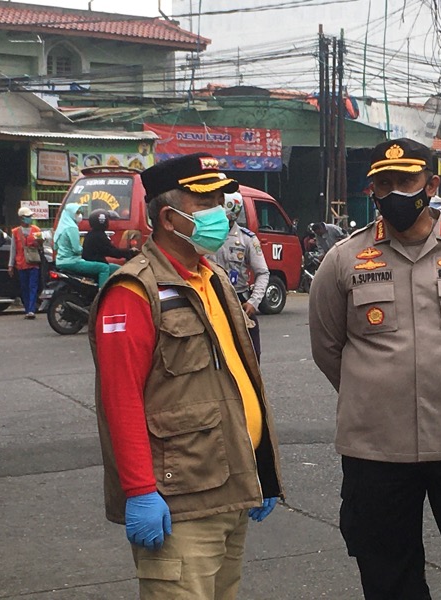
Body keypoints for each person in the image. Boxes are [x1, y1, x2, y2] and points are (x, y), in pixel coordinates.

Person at [309, 138, 441, 600]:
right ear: (372, 191)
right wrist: (376, 392)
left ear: (432, 184)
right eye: (383, 184)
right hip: (376, 450)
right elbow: (328, 346)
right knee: (389, 578)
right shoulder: (343, 259)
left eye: (405, 181)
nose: (394, 193)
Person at [87, 153, 283, 600]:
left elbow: (236, 379)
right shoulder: (134, 291)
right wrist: (138, 490)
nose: (221, 210)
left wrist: (261, 468)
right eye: (206, 200)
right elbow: (120, 399)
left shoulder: (209, 278)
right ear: (170, 216)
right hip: (178, 503)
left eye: (220, 197)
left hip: (228, 486)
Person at [209, 191, 270, 362]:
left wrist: (254, 301)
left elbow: (263, 272)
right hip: (213, 299)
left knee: (251, 356)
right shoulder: (205, 237)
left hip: (240, 300)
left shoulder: (247, 239)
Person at [54, 203, 113, 287]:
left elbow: (55, 247)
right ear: (71, 213)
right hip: (72, 262)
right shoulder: (72, 228)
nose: (79, 215)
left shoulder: (62, 227)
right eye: (77, 213)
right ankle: (101, 295)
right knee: (104, 268)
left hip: (60, 261)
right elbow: (76, 249)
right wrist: (85, 249)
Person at [8, 206, 42, 318]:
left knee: (33, 286)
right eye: (28, 217)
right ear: (22, 218)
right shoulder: (15, 232)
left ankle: (31, 310)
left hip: (34, 263)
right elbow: (13, 249)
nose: (30, 219)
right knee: (24, 288)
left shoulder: (36, 230)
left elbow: (41, 246)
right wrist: (10, 265)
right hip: (21, 264)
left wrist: (39, 243)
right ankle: (27, 309)